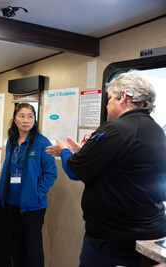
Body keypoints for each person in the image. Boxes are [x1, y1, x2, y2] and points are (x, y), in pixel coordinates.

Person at [46, 70, 166, 267]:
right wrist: (86, 153)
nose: (107, 104)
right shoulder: (156, 131)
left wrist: (65, 151)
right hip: (148, 233)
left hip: (112, 239)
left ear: (123, 96)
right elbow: (125, 165)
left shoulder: (115, 129)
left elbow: (75, 171)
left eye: (109, 98)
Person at [0, 103, 58, 267]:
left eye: (30, 116)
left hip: (33, 206)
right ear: (15, 119)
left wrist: (37, 193)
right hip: (11, 202)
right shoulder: (11, 141)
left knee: (33, 248)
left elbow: (51, 173)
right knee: (15, 245)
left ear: (35, 120)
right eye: (22, 116)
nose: (26, 120)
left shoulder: (42, 142)